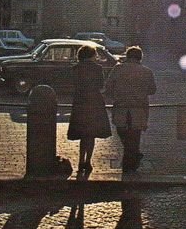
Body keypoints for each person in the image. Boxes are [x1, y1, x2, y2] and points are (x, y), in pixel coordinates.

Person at [104, 45, 157, 172]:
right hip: (138, 108)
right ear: (140, 58)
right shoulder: (146, 71)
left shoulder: (118, 69)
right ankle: (133, 159)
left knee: (122, 132)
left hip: (121, 106)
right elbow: (152, 90)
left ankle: (131, 159)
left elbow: (108, 87)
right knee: (135, 135)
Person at [67, 45, 111, 174]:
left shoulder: (76, 68)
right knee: (91, 134)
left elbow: (73, 84)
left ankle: (80, 160)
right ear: (92, 55)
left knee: (82, 133)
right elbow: (101, 85)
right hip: (94, 101)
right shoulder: (97, 68)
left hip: (80, 101)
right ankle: (88, 161)